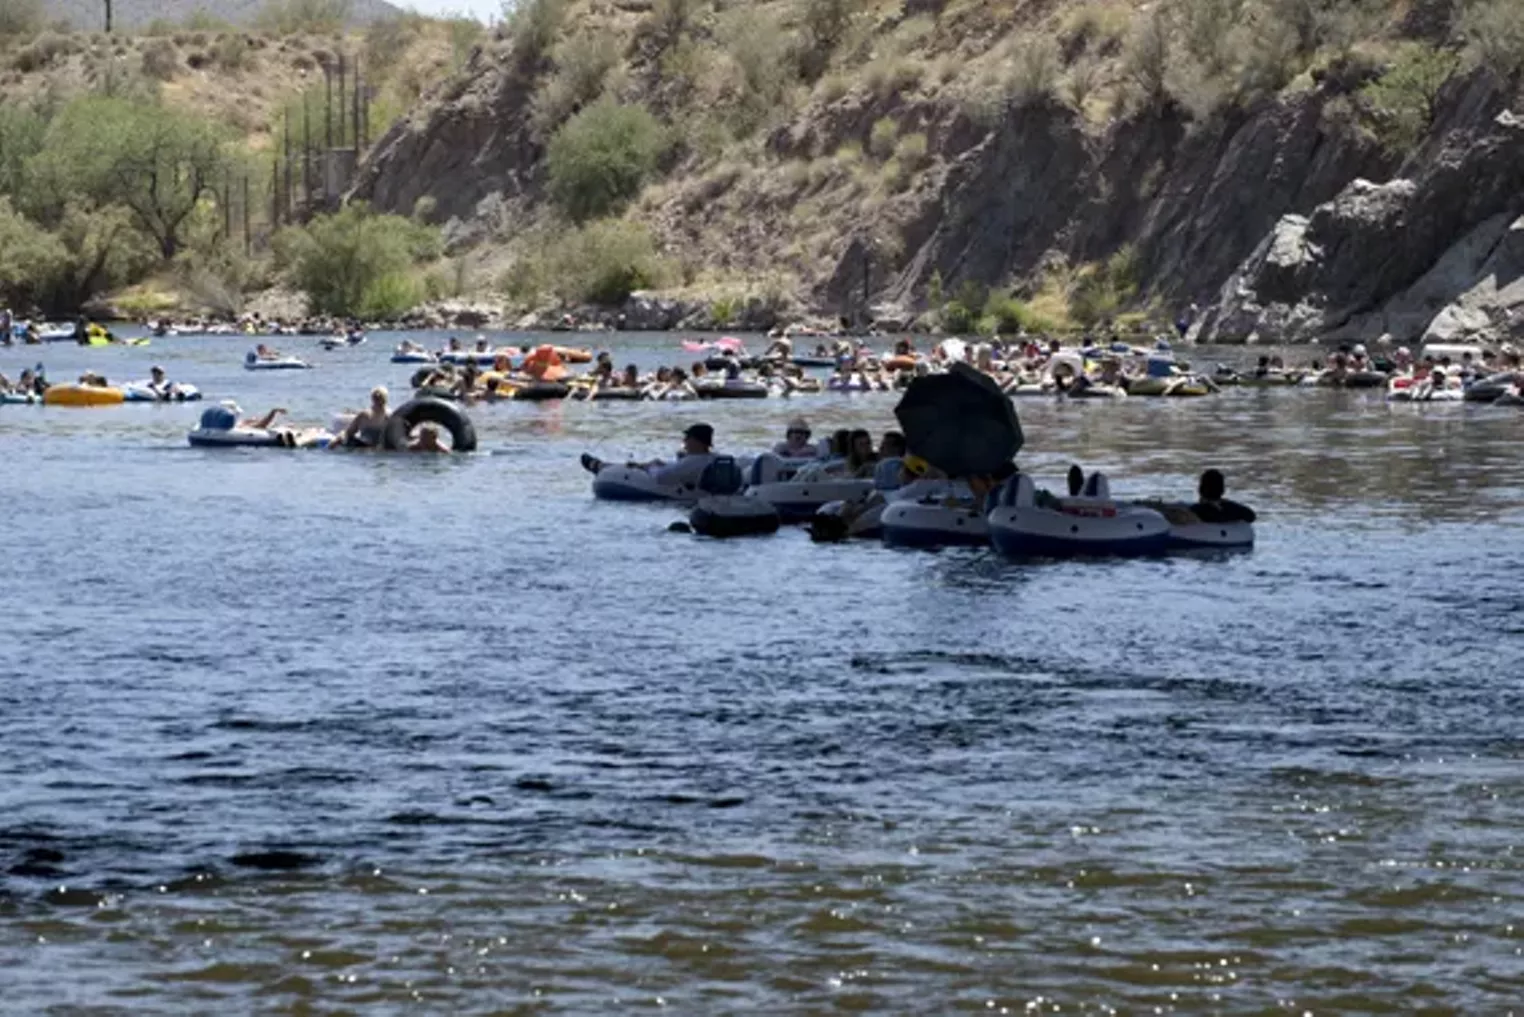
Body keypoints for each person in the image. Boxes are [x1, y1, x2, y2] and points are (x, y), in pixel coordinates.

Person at [581, 423, 717, 486]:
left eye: (688, 438)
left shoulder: (690, 463)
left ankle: (599, 466)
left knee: (632, 468)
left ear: (697, 441)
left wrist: (647, 467)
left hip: (665, 481)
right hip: (677, 474)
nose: (684, 441)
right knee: (656, 463)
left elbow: (662, 478)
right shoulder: (715, 459)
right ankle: (600, 465)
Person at [1189, 469, 1256, 523]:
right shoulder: (1232, 509)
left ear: (1200, 489)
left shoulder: (1195, 511)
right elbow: (1251, 516)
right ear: (1223, 490)